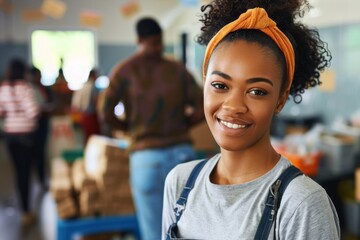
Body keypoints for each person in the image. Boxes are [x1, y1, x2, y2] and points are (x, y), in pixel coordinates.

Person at [162, 0, 340, 239]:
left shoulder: (301, 203)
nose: (234, 106)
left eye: (257, 91)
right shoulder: (180, 183)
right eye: (220, 85)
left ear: (280, 99)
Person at [99, 17, 205, 240]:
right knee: (190, 228)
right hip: (182, 155)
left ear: (138, 39)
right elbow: (203, 106)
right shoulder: (177, 70)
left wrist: (129, 128)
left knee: (153, 231)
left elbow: (105, 112)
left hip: (145, 157)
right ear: (160, 39)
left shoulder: (124, 71)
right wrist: (183, 125)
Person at [0, 58, 40, 226]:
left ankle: (24, 208)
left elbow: (1, 111)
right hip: (25, 137)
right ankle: (26, 210)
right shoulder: (25, 88)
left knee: (17, 172)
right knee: (25, 172)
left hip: (10, 136)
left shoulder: (4, 88)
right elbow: (33, 112)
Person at [30, 66, 56, 190]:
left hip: (42, 123)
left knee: (40, 152)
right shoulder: (28, 89)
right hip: (30, 126)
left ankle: (41, 179)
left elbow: (52, 101)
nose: (38, 77)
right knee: (33, 154)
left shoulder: (44, 88)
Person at [71, 68, 101, 145]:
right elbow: (96, 101)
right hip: (91, 116)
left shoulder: (83, 86)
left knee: (87, 137)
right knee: (94, 137)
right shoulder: (93, 87)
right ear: (93, 76)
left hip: (84, 115)